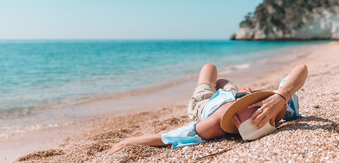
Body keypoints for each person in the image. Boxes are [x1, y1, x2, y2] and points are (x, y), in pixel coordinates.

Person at [106, 63, 308, 156]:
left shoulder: (213, 125)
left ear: (234, 121)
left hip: (207, 103)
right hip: (232, 95)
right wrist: (280, 97)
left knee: (209, 69)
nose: (249, 99)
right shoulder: (279, 108)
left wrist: (128, 141)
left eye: (245, 104)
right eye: (255, 101)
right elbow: (302, 69)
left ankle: (214, 82)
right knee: (224, 82)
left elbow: (166, 137)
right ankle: (228, 88)